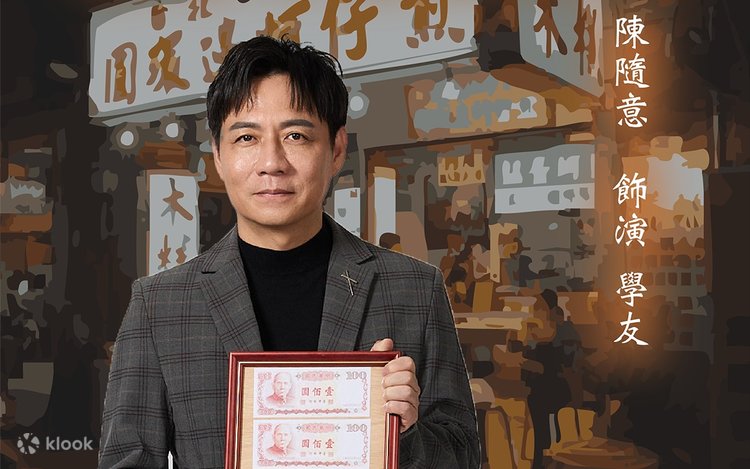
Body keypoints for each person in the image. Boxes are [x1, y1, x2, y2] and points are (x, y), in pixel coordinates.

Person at [99, 36, 479, 468]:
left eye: (296, 135)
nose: (272, 162)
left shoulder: (414, 288)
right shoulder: (160, 305)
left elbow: (463, 455)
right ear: (219, 155)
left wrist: (405, 433)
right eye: (246, 137)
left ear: (336, 150)